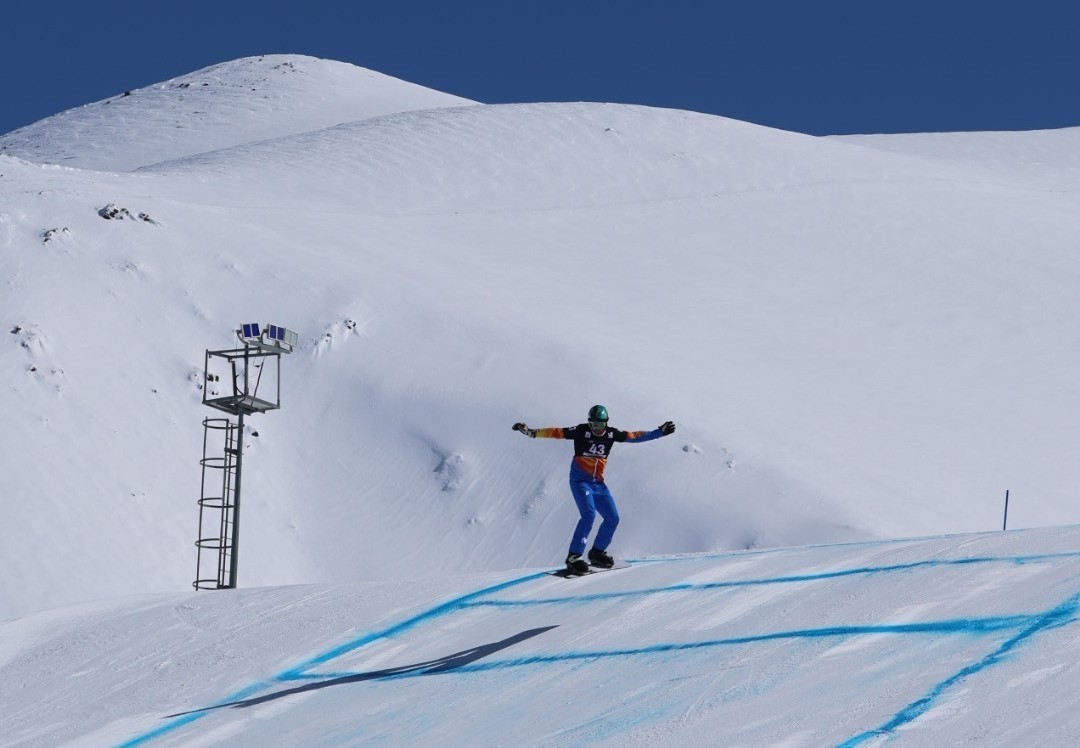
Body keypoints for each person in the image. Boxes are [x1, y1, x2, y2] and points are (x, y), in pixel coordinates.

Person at [513, 405, 676, 575]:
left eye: (601, 425)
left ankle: (597, 552)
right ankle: (574, 557)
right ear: (589, 423)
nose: (597, 429)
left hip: (598, 484)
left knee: (613, 518)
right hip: (580, 482)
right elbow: (556, 432)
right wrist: (532, 432)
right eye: (593, 425)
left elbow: (634, 436)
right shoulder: (581, 431)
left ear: (606, 423)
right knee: (589, 515)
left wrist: (659, 432)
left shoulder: (611, 434)